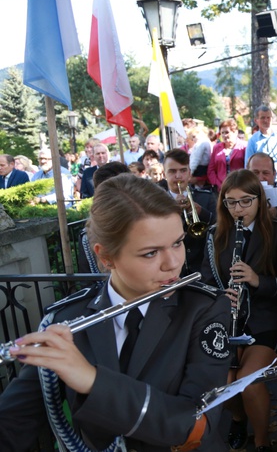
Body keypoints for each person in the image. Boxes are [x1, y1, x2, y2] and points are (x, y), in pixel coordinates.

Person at [0, 175, 231, 451]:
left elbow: (194, 425)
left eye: (177, 243)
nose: (173, 264)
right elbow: (13, 422)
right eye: (150, 253)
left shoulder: (204, 308)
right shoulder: (68, 319)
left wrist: (92, 381)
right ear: (106, 256)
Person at [201, 169, 277, 452]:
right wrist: (219, 298)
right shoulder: (215, 235)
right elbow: (205, 280)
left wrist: (256, 280)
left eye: (245, 201)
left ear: (260, 200)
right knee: (223, 382)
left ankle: (263, 442)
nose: (238, 209)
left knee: (248, 383)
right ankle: (239, 419)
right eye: (231, 202)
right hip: (228, 323)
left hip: (268, 322)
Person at [161, 149, 217, 274]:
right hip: (171, 270)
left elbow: (219, 228)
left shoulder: (206, 197)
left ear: (189, 173)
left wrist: (201, 212)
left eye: (183, 170)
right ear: (164, 174)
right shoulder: (156, 202)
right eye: (172, 171)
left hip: (203, 269)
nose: (178, 176)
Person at [244, 105, 277, 178]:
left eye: (268, 117)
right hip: (263, 183)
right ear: (256, 120)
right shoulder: (252, 141)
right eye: (263, 118)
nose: (266, 120)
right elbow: (248, 166)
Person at [208, 119, 247, 190]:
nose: (224, 135)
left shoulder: (244, 147)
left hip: (240, 187)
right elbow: (211, 170)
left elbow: (248, 168)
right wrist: (218, 184)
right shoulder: (217, 148)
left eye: (227, 132)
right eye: (222, 133)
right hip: (221, 188)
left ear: (235, 132)